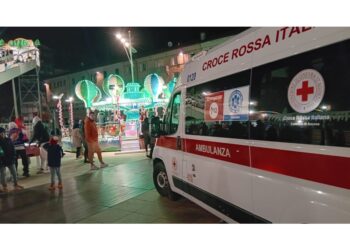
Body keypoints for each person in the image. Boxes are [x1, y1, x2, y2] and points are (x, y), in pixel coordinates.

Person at [0, 127, 24, 192]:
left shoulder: (8, 140)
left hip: (10, 159)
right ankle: (4, 186)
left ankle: (16, 184)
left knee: (14, 172)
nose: (2, 134)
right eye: (0, 133)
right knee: (2, 174)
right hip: (1, 160)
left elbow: (13, 148)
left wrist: (14, 156)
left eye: (2, 133)